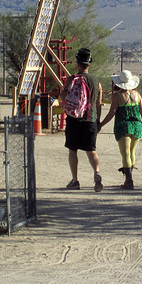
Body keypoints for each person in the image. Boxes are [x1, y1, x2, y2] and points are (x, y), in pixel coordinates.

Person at [59, 48, 103, 192]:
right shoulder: (96, 82)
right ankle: (96, 172)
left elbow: (63, 98)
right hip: (90, 119)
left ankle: (75, 180)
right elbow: (98, 103)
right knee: (91, 150)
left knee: (73, 150)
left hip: (74, 119)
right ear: (89, 64)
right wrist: (98, 121)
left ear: (78, 63)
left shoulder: (73, 79)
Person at [99, 70, 142, 190]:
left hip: (123, 126)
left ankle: (129, 180)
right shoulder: (137, 95)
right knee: (132, 151)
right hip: (137, 125)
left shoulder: (117, 96)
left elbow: (112, 112)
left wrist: (101, 124)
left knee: (125, 153)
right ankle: (129, 177)